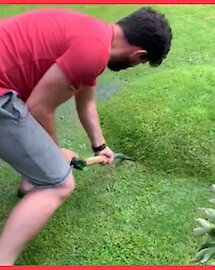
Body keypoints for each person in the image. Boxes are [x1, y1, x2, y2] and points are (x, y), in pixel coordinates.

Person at [0, 6, 172, 265]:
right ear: (139, 54)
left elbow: (86, 103)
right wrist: (56, 153)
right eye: (141, 62)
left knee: (45, 157)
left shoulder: (94, 35)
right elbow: (39, 107)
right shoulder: (92, 53)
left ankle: (31, 183)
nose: (135, 65)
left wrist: (99, 146)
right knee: (60, 183)